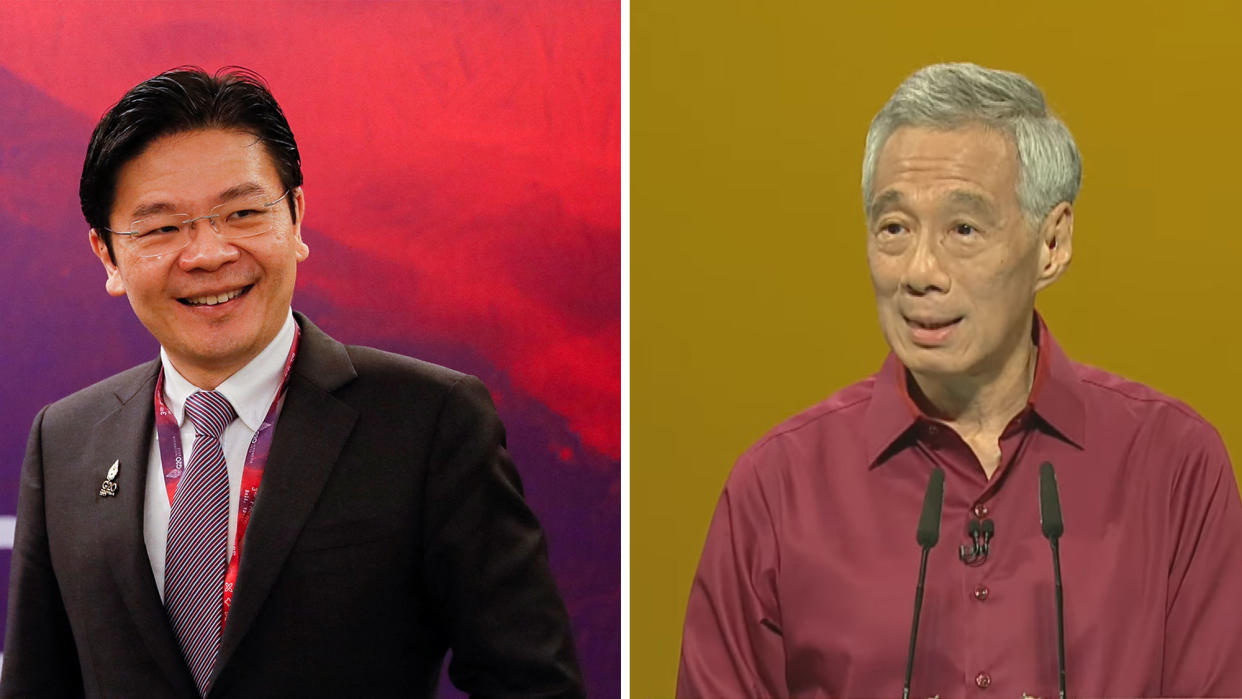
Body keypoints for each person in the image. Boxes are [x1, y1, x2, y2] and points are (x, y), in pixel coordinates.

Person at [1, 67, 583, 698]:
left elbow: (531, 686)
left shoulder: (430, 421)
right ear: (107, 255)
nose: (208, 253)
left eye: (242, 212)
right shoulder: (64, 439)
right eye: (162, 228)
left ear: (297, 217)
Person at [677, 62, 1242, 697]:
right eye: (894, 228)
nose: (919, 271)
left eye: (963, 229)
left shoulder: (1173, 467)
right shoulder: (777, 490)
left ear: (1051, 244)